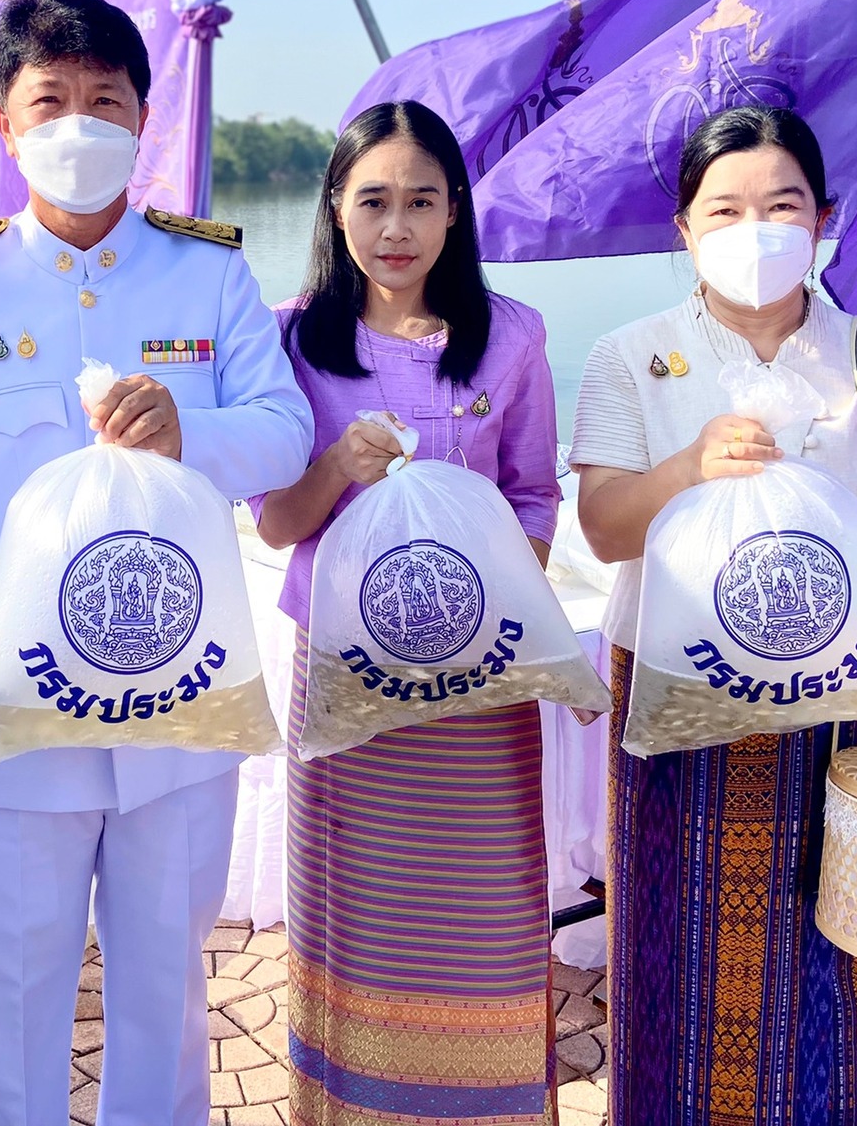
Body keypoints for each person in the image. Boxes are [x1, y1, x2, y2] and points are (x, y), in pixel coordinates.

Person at [0, 0, 311, 1126]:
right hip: (12, 718)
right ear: (4, 125)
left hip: (176, 708)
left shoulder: (207, 275)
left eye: (104, 100)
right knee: (11, 1007)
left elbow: (284, 430)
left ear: (143, 119)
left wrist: (190, 432)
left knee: (164, 1002)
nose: (78, 124)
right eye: (48, 100)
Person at [570, 105, 857, 1126]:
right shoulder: (631, 355)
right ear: (684, 228)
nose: (755, 229)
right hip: (676, 707)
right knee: (669, 949)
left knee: (834, 958)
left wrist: (848, 643)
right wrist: (687, 466)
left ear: (822, 218)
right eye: (725, 209)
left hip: (838, 710)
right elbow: (605, 529)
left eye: (782, 205)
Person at [254, 99, 562, 1125]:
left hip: (478, 684)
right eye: (373, 200)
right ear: (334, 206)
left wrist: (479, 603)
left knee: (483, 913)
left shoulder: (512, 335)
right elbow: (276, 522)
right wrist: (336, 466)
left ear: (454, 209)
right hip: (346, 684)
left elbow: (533, 494)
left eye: (421, 201)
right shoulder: (291, 338)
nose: (397, 227)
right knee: (357, 913)